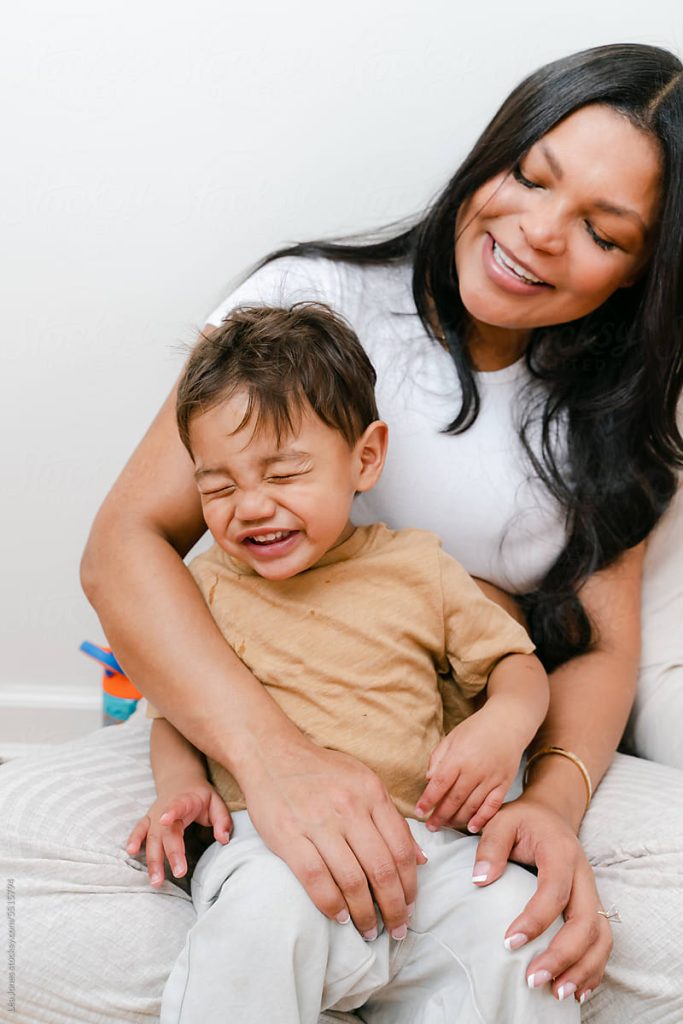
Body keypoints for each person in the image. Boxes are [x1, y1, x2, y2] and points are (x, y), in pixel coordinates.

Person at [80, 42, 683, 1016]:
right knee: (262, 923)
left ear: (640, 274)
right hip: (256, 718)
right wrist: (275, 761)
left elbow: (597, 644)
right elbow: (121, 548)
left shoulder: (614, 414)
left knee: (515, 953)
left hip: (446, 773)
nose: (533, 232)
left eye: (601, 232)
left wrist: (549, 800)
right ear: (492, 154)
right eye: (528, 176)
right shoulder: (307, 307)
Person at [126, 301, 559, 1021]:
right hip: (275, 847)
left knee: (511, 919)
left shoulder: (416, 567)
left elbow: (515, 665)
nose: (251, 507)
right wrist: (179, 786)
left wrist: (502, 727)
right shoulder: (204, 587)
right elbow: (175, 711)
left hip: (425, 848)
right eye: (218, 486)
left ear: (364, 458)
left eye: (283, 473)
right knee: (261, 915)